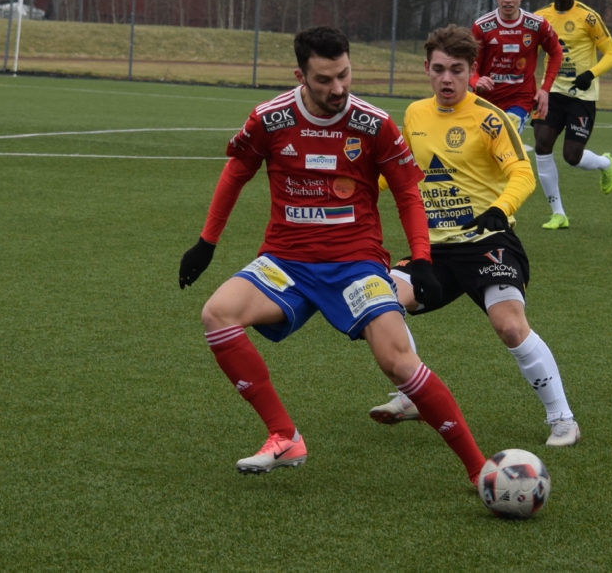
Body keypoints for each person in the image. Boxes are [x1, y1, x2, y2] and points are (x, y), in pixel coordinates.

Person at [178, 26, 486, 486]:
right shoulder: (270, 119)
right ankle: (284, 436)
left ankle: (479, 469)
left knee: (399, 362)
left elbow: (407, 193)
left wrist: (422, 259)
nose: (338, 88)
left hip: (355, 264)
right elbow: (236, 171)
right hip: (286, 261)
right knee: (217, 314)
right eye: (324, 79)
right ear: (300, 75)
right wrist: (207, 242)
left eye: (344, 75)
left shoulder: (374, 124)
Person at [369, 24, 580, 447]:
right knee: (378, 303)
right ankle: (412, 393)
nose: (447, 79)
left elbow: (521, 172)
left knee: (510, 326)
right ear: (427, 69)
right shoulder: (415, 114)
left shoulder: (489, 117)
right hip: (433, 248)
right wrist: (357, 189)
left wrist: (501, 210)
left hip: (487, 241)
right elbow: (401, 173)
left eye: (457, 70)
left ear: (471, 71)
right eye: (439, 70)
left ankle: (563, 419)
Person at [533, 0, 612, 230]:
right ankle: (558, 214)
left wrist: (590, 74)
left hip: (581, 96)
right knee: (542, 144)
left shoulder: (589, 18)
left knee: (572, 156)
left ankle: (605, 163)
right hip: (552, 93)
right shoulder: (539, 18)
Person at [469, 0, 563, 134]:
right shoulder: (481, 27)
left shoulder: (537, 25)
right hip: (486, 100)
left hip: (520, 100)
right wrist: (475, 82)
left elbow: (556, 52)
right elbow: (470, 65)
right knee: (483, 145)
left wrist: (545, 89)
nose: (508, 0)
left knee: (504, 133)